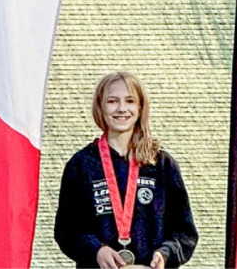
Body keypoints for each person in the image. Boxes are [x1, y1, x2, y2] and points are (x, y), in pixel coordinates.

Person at [54, 72, 198, 269]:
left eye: (129, 101)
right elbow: (66, 231)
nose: (122, 109)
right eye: (112, 101)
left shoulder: (163, 165)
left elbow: (184, 233)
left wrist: (165, 255)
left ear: (140, 107)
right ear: (100, 107)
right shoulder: (81, 165)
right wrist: (96, 250)